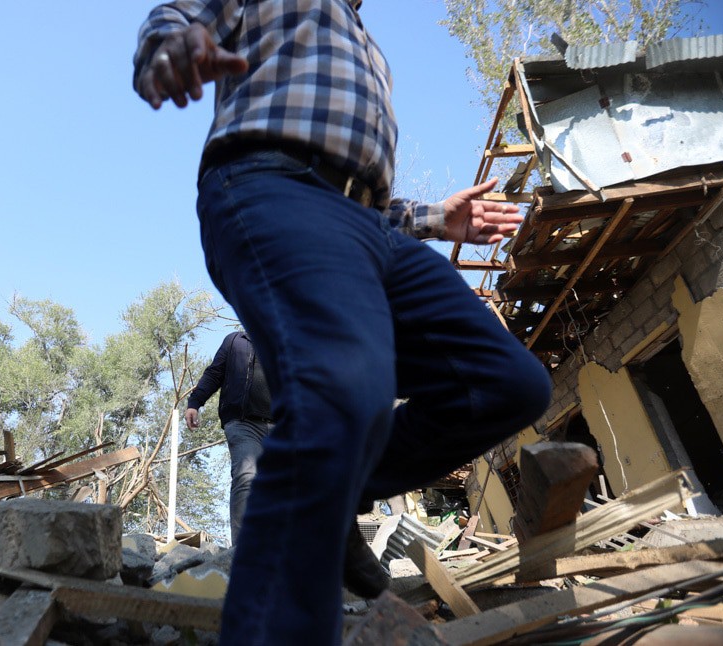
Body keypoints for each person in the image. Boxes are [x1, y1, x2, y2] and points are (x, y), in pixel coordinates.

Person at [133, 1, 552, 643]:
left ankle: (333, 486)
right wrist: (171, 50)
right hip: (270, 185)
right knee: (340, 390)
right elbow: (174, 16)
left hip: (369, 225)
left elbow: (357, 190)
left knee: (507, 383)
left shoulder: (365, 44)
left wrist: (436, 220)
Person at [185, 330, 273, 545]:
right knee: (247, 476)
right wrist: (195, 403)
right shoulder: (236, 341)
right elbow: (215, 373)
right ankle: (243, 549)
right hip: (243, 424)